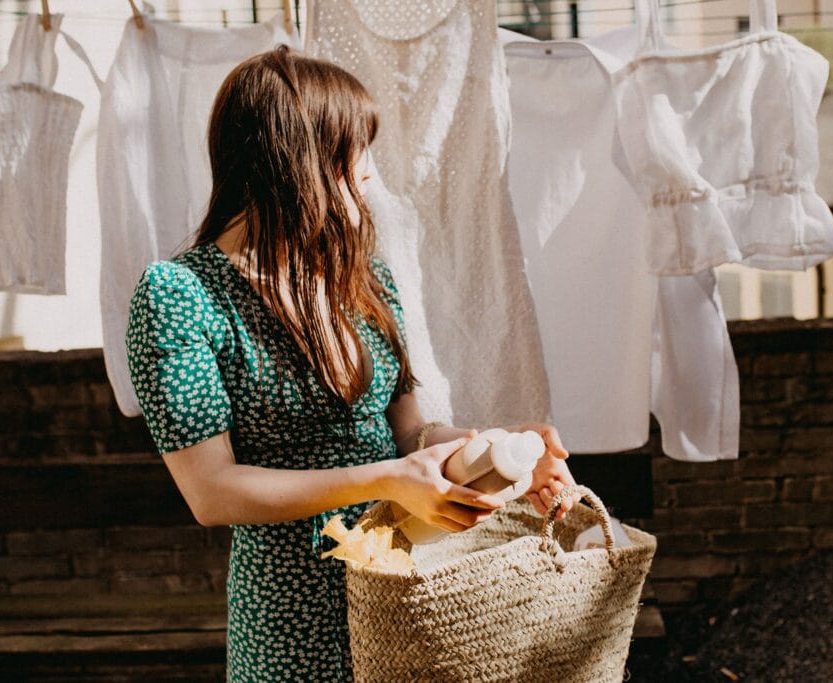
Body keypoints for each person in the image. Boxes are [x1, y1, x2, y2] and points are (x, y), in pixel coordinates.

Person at [125, 45, 578, 682]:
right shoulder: (179, 295)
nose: (367, 175)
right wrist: (385, 480)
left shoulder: (364, 279)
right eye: (352, 152)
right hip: (291, 612)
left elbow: (409, 433)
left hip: (404, 586)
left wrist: (498, 453)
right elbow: (211, 493)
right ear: (291, 161)